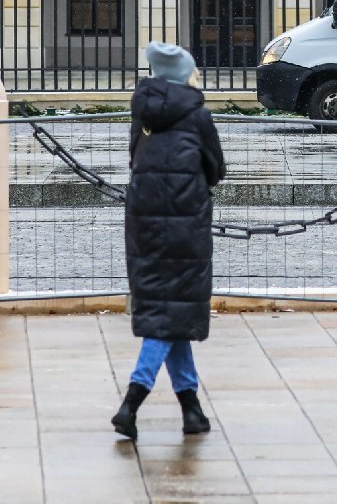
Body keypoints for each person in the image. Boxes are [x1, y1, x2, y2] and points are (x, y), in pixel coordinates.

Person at [112, 42, 225, 440]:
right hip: (185, 225)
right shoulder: (198, 115)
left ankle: (191, 408)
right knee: (166, 318)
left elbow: (134, 160)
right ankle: (132, 401)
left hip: (144, 222)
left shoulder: (141, 115)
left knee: (169, 310)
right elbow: (216, 168)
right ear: (185, 76)